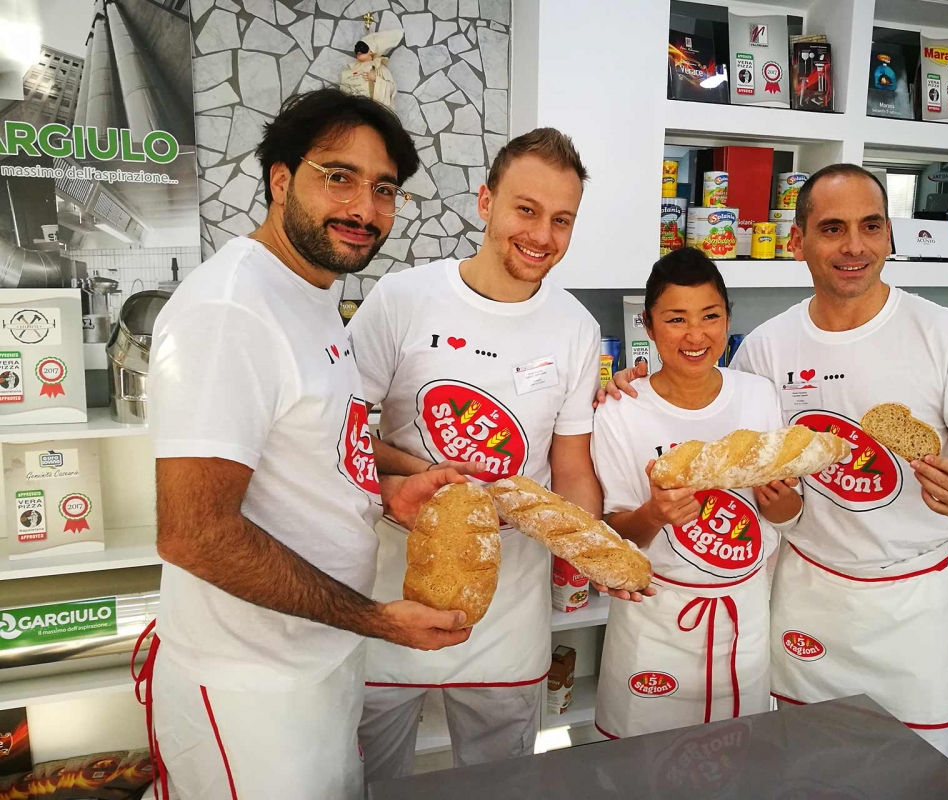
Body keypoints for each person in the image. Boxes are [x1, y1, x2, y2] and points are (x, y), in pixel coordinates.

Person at [604, 164, 948, 766]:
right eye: (832, 228)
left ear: (889, 236)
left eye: (871, 226)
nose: (854, 246)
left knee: (917, 769)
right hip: (803, 594)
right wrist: (634, 381)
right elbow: (711, 407)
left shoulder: (943, 335)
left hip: (910, 600)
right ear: (798, 242)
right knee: (801, 765)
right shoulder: (769, 346)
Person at [145, 89, 473, 800]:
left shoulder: (311, 291)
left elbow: (315, 446)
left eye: (384, 189)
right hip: (248, 684)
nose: (364, 208)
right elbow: (195, 533)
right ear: (281, 179)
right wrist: (376, 618)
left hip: (316, 654)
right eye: (339, 176)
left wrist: (393, 491)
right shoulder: (232, 310)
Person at [349, 127, 649, 780]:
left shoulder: (575, 327)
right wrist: (411, 473)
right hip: (392, 592)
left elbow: (569, 464)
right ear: (485, 202)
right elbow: (337, 438)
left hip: (509, 609)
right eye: (526, 209)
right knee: (369, 780)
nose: (542, 235)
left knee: (502, 783)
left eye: (561, 219)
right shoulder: (402, 300)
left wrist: (589, 546)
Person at [590, 248, 801, 739]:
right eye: (676, 319)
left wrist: (781, 503)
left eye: (710, 316)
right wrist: (654, 513)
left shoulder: (758, 394)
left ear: (728, 318)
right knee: (643, 767)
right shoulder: (620, 411)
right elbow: (613, 534)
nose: (695, 335)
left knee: (736, 760)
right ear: (648, 324)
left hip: (744, 617)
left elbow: (788, 514)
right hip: (655, 620)